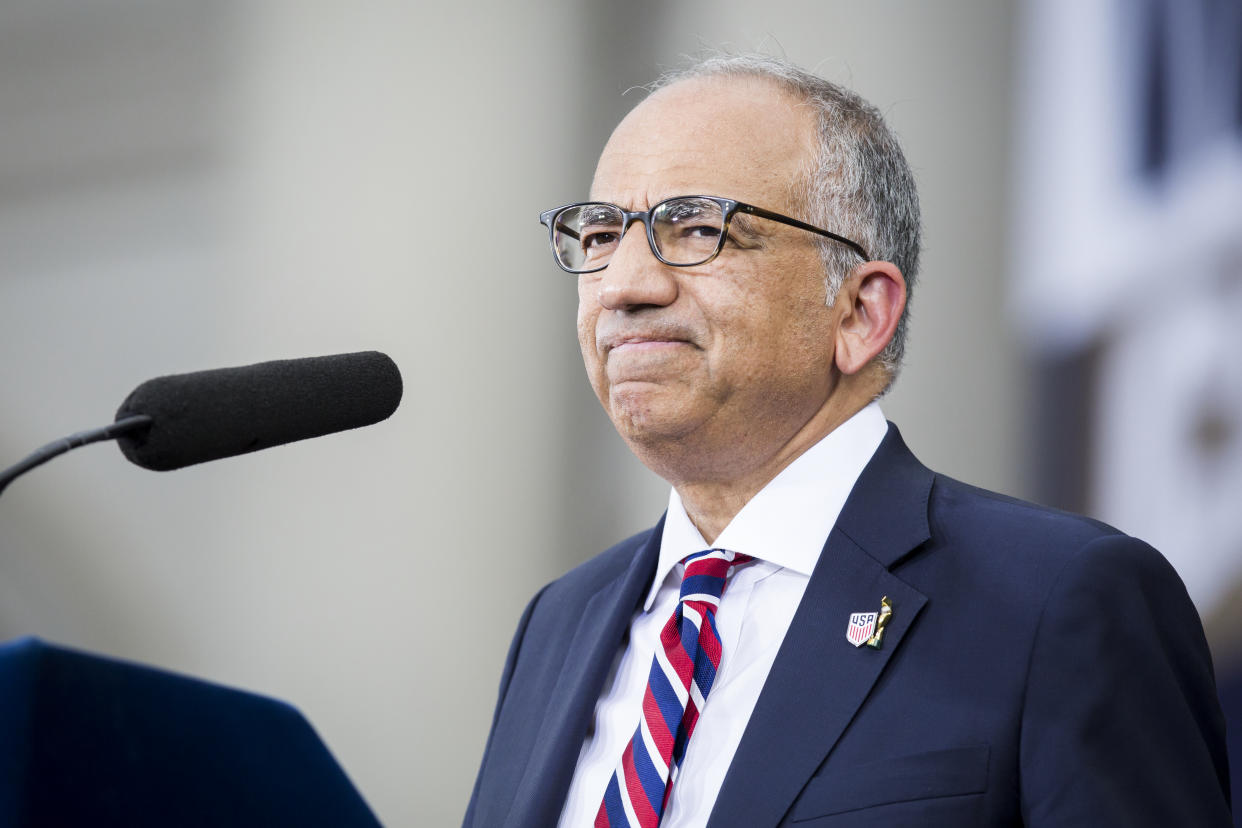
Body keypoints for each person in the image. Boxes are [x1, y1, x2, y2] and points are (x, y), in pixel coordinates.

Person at [463, 55, 1232, 827]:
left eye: (696, 228)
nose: (624, 285)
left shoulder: (1062, 602)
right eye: (599, 234)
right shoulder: (558, 624)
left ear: (861, 311)